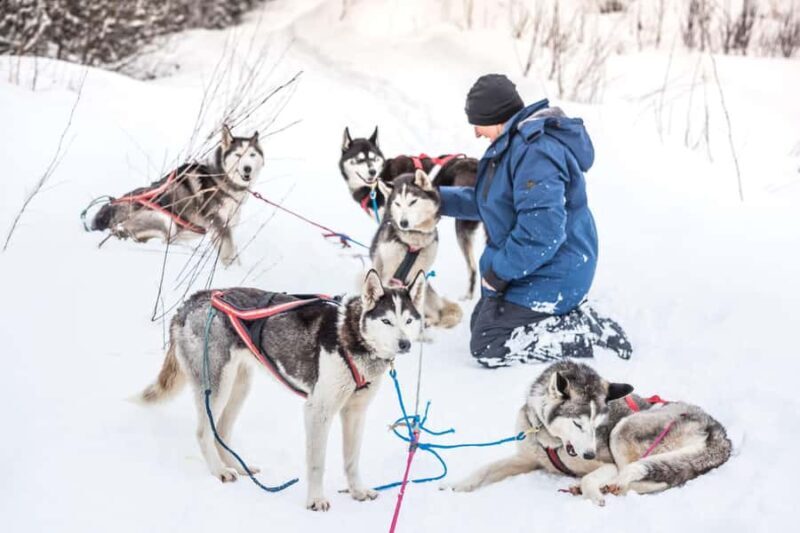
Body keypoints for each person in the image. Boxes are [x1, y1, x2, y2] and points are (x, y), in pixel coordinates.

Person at [439, 74, 631, 368]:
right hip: (536, 264)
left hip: (557, 269)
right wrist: (435, 200)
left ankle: (585, 332)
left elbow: (542, 233)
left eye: (477, 122)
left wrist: (498, 273)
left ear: (495, 117)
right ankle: (566, 315)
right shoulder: (513, 145)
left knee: (488, 343)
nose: (477, 133)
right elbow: (492, 204)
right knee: (481, 321)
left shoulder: (535, 154)